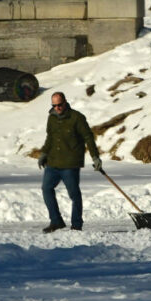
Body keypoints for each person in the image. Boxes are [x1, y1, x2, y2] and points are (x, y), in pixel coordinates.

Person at [37, 92, 102, 233]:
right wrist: (44, 153)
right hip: (53, 162)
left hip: (70, 163)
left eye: (59, 105)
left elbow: (88, 137)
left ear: (65, 102)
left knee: (74, 194)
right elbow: (50, 138)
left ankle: (76, 224)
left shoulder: (77, 118)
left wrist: (95, 157)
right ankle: (56, 221)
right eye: (54, 105)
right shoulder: (52, 118)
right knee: (46, 189)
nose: (57, 108)